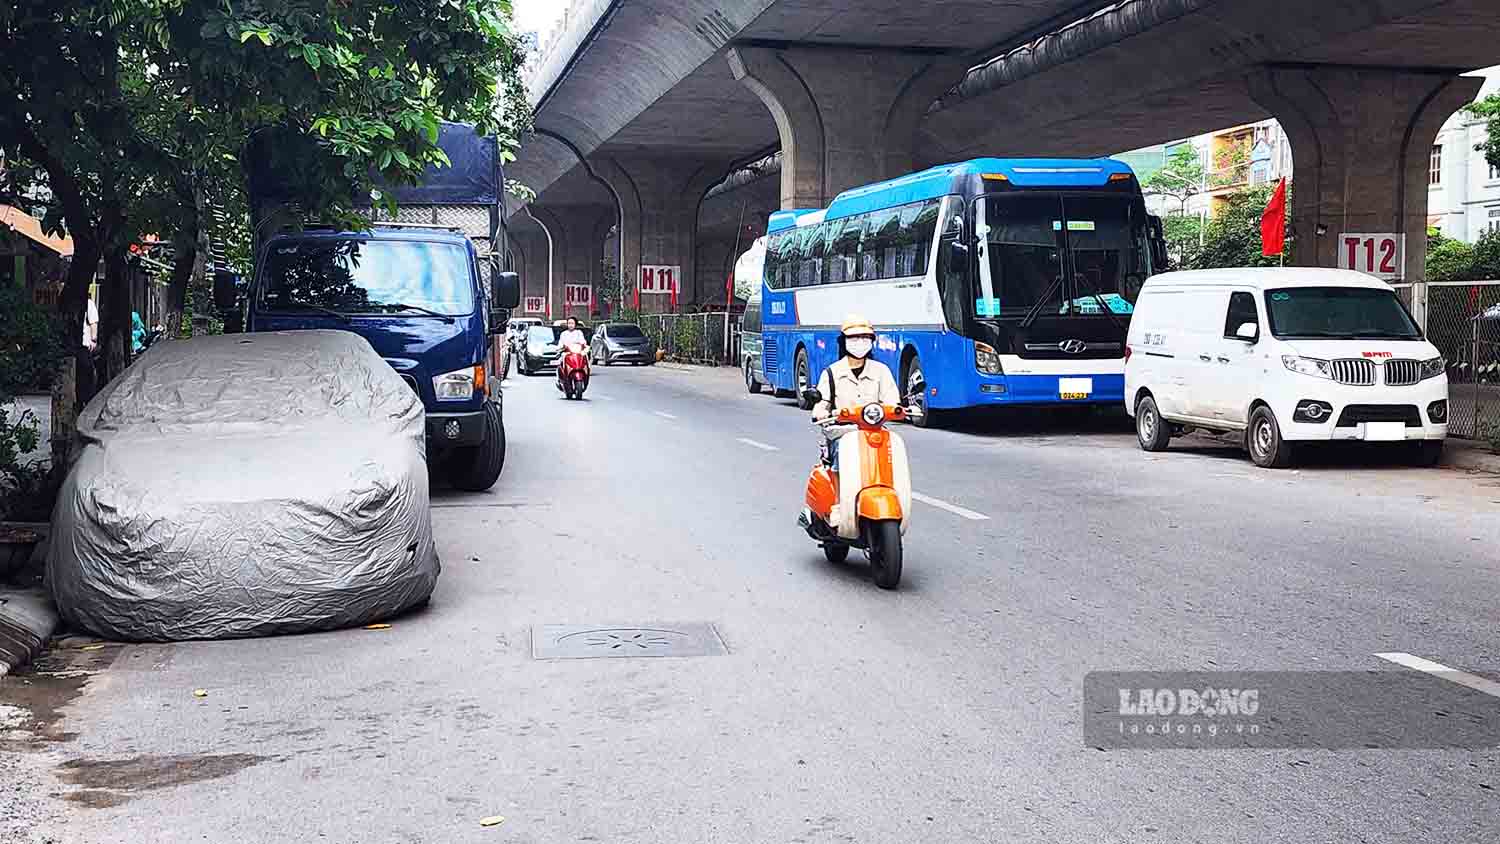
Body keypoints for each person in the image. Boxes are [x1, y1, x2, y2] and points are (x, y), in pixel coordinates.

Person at [811, 315, 901, 469]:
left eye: (865, 338)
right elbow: (821, 404)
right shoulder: (831, 373)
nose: (860, 343)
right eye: (854, 338)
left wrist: (900, 409)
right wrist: (821, 412)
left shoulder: (881, 371)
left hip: (875, 431)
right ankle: (843, 493)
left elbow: (893, 401)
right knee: (842, 457)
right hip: (842, 433)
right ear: (843, 342)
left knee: (894, 457)